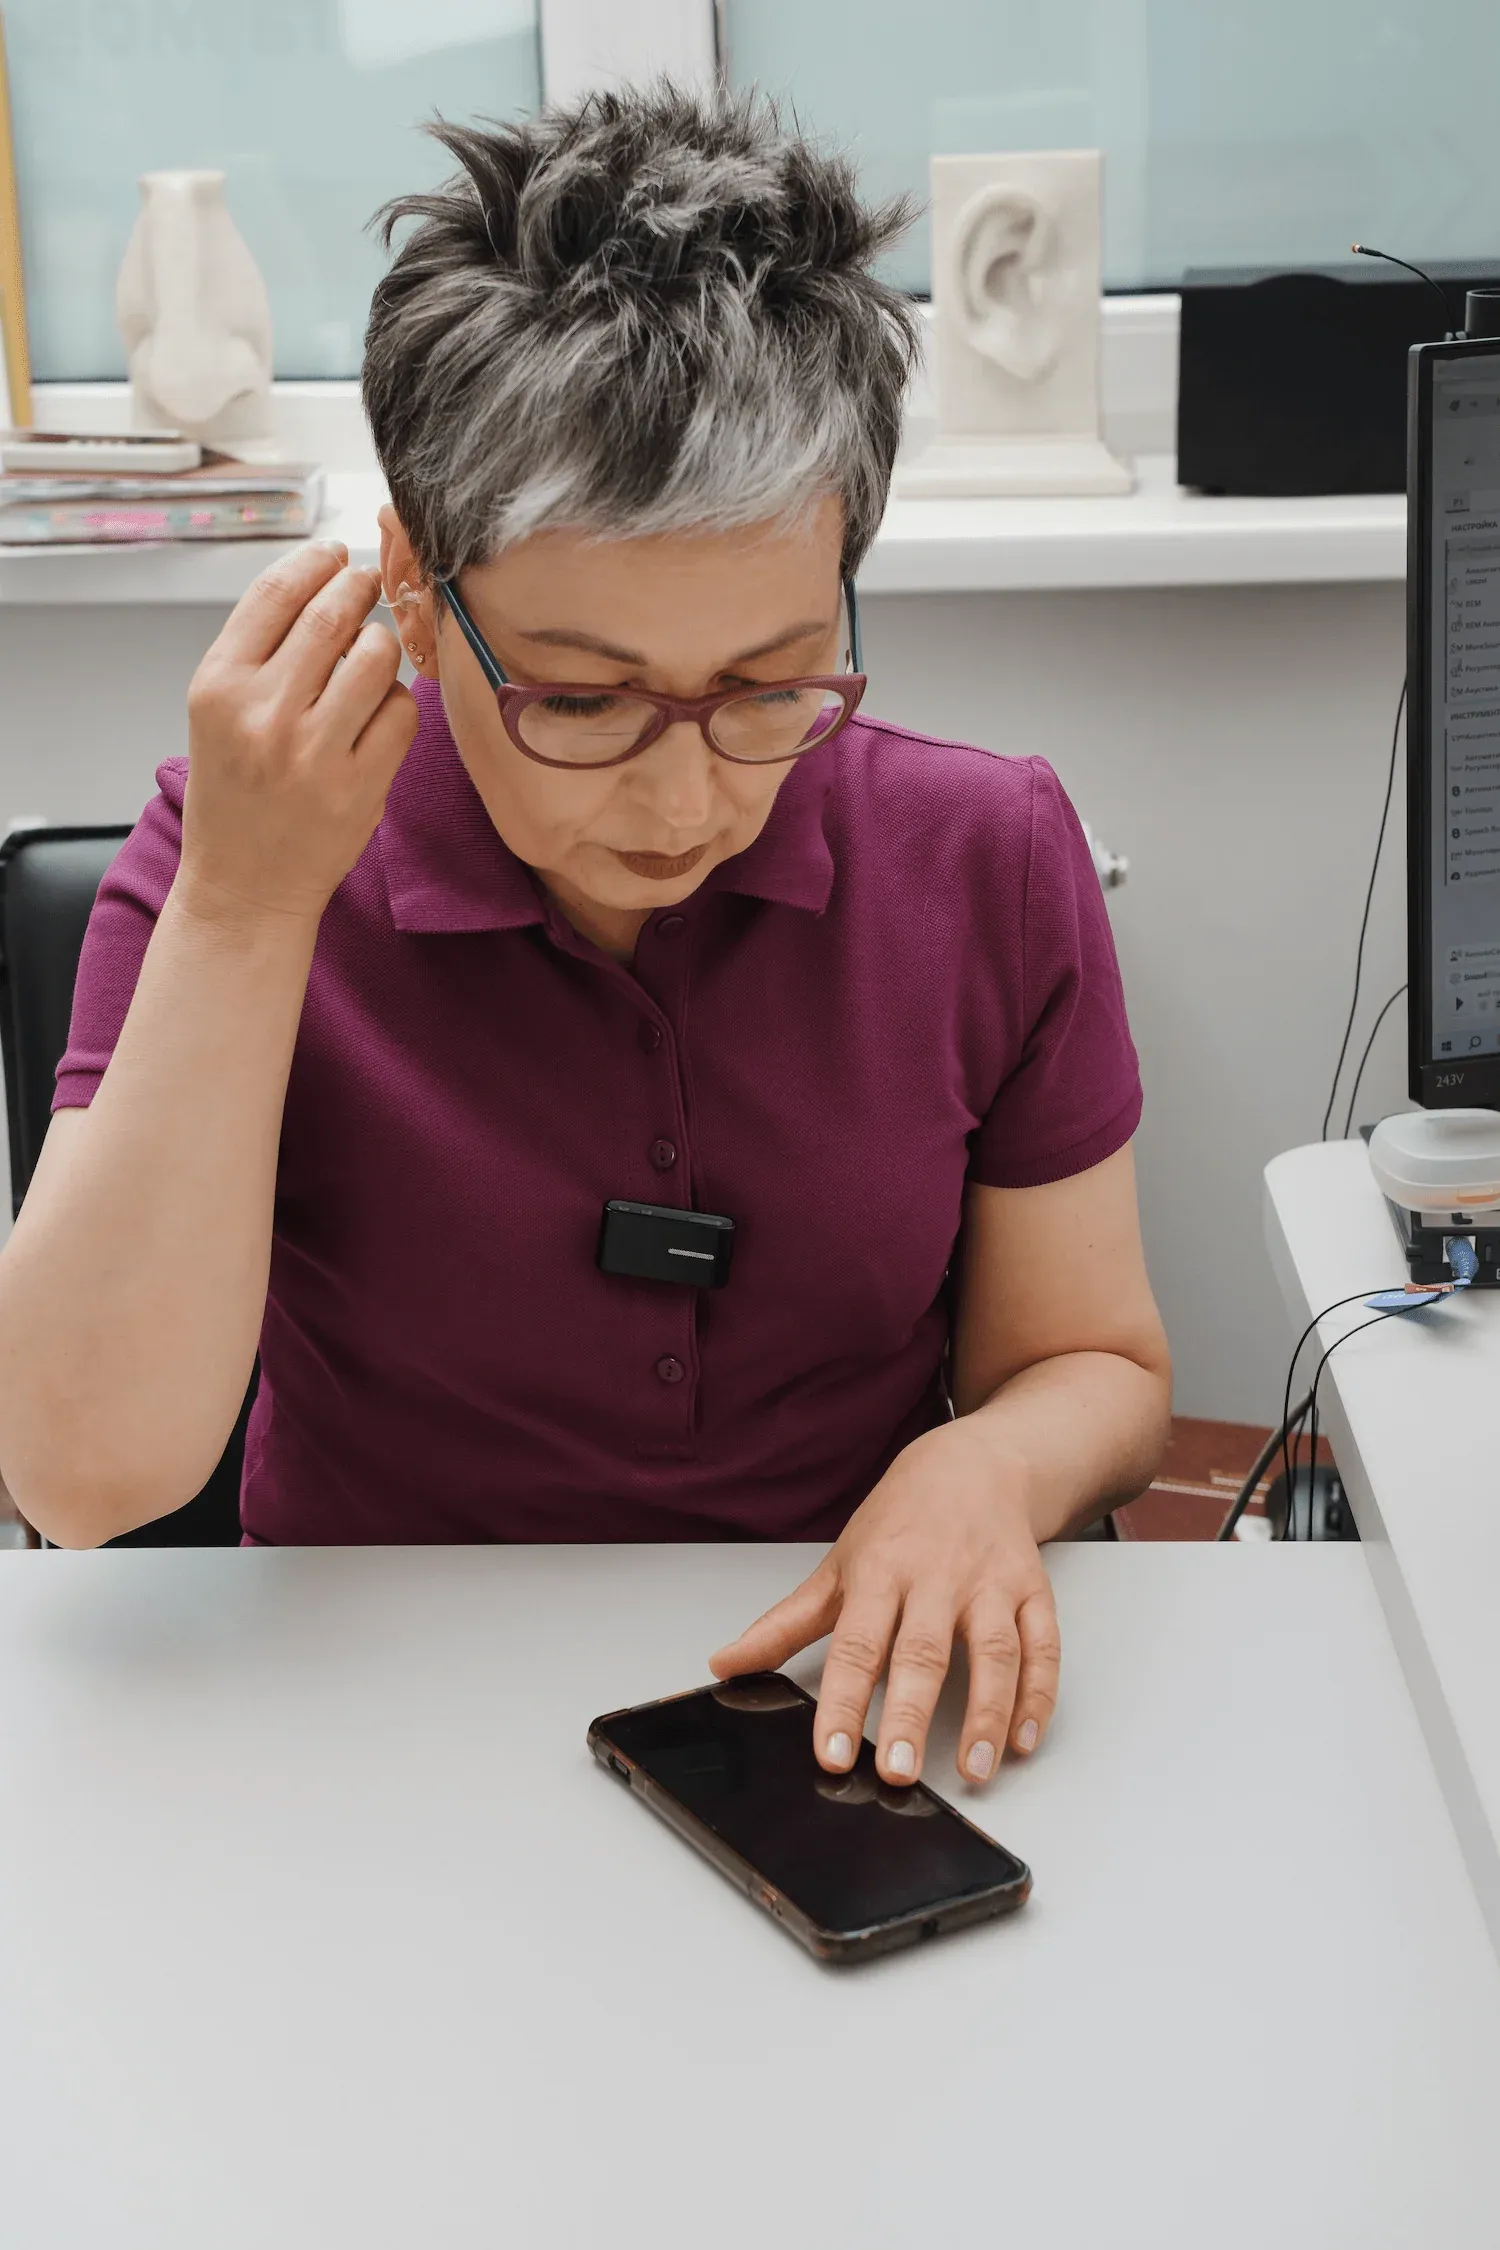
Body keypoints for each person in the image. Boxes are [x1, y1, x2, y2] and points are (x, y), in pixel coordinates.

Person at [0, 87, 1169, 1793]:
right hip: (366, 1711)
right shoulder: (243, 858)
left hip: (836, 1701)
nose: (690, 794)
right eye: (584, 695)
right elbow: (83, 1475)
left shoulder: (987, 855)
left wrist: (983, 1468)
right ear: (413, 587)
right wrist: (250, 911)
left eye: (772, 683)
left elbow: (1093, 1360)